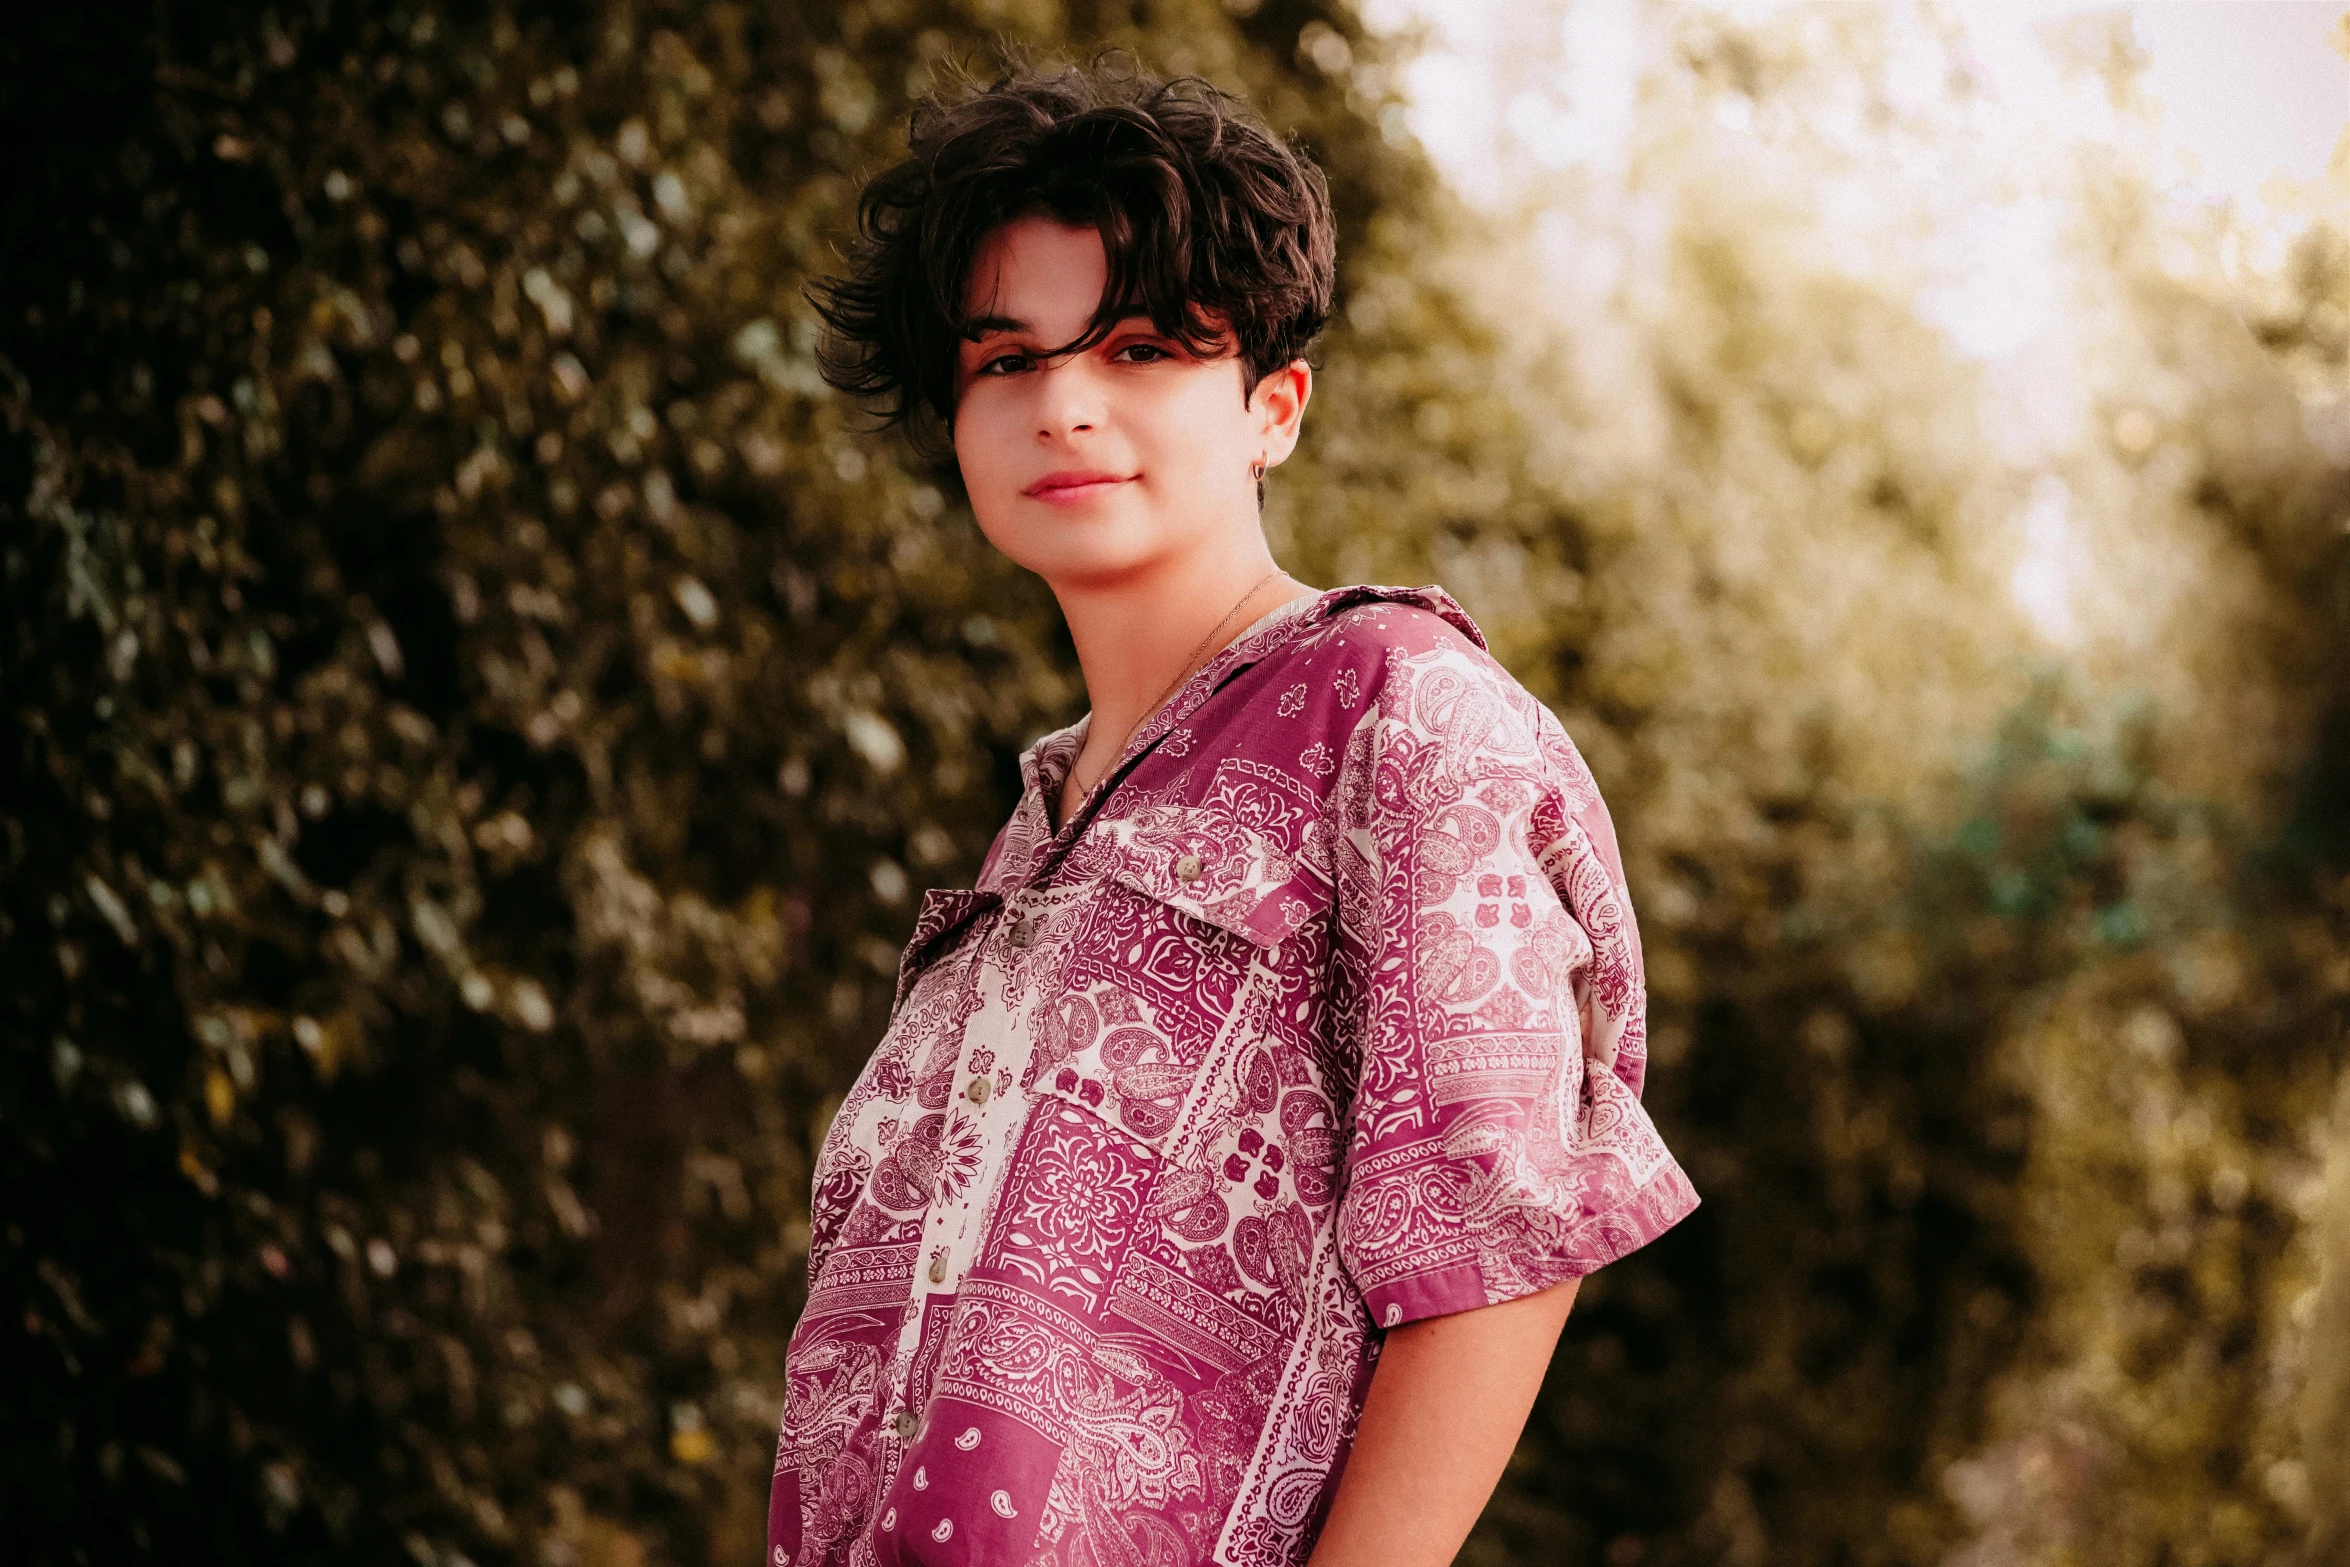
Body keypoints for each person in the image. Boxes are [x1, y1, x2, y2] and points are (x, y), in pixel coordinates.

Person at [769, 54, 1698, 1567]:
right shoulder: (1036, 830)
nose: (1063, 403)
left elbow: (1493, 1242)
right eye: (1004, 359)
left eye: (1138, 348)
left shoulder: (1400, 716)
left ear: (1272, 405)